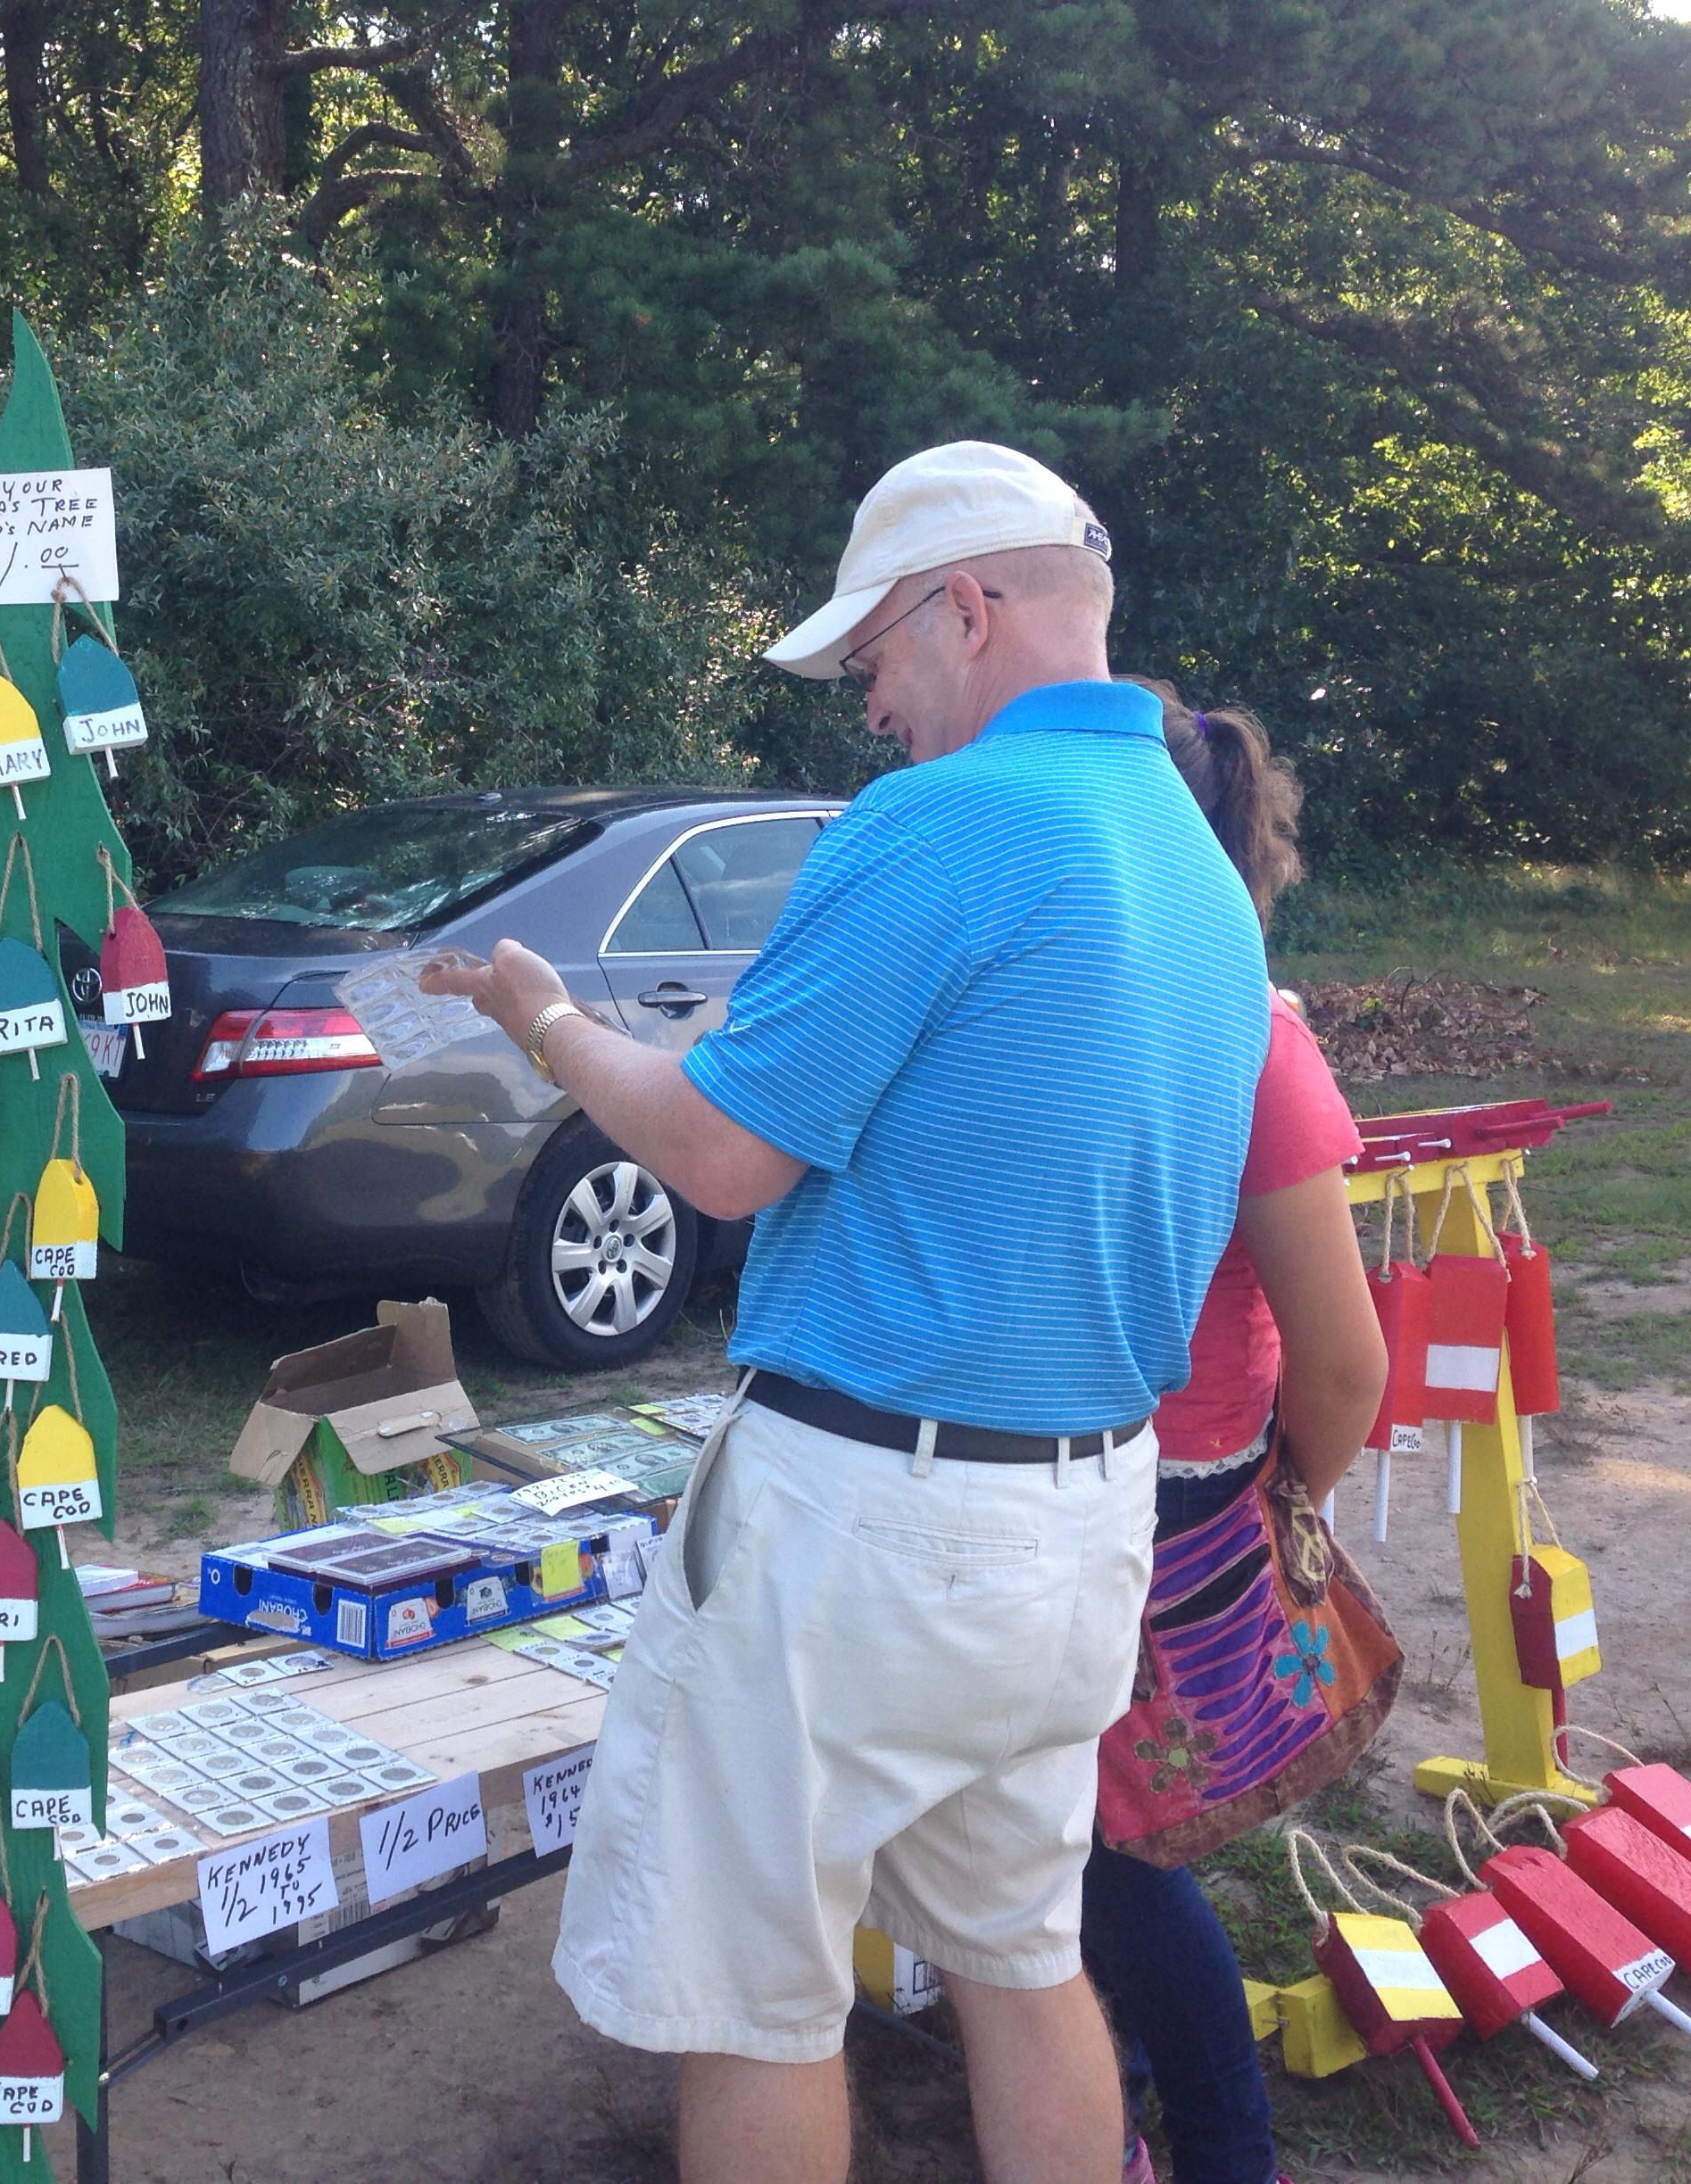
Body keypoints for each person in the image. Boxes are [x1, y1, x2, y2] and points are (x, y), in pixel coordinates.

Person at [427, 443, 1273, 2184]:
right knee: (1027, 1956)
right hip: (1083, 1516)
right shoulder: (1190, 851)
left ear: (967, 611)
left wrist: (548, 1024)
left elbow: (721, 1156)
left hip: (873, 1524)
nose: (868, 708)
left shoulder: (946, 822)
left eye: (872, 658)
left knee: (757, 2000)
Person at [1082, 688, 1390, 2184]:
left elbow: (1346, 1363)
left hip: (1172, 1495)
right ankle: (1119, 2102)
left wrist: (1287, 1504)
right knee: (1067, 1849)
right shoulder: (1099, 1017)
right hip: (1082, 1481)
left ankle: (1218, 2154)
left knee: (1106, 1857)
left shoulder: (1249, 1043)